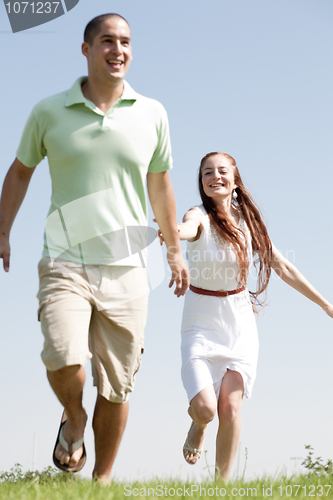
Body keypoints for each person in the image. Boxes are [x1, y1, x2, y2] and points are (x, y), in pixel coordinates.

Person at [0, 13, 189, 483]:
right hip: (65, 259)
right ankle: (74, 415)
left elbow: (160, 184)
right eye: (107, 41)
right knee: (64, 358)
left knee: (118, 385)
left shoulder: (152, 113)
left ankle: (101, 483)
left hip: (128, 268)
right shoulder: (49, 111)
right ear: (86, 50)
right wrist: (2, 230)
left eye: (125, 42)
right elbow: (20, 171)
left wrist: (173, 250)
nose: (118, 49)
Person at [157, 151, 333, 481]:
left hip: (239, 323)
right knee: (208, 408)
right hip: (200, 322)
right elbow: (188, 229)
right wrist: (172, 230)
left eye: (222, 171)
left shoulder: (247, 222)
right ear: (202, 182)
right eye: (207, 172)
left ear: (235, 180)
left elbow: (282, 266)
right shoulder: (199, 215)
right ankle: (198, 423)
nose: (215, 176)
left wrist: (325, 304)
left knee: (230, 407)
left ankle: (222, 486)